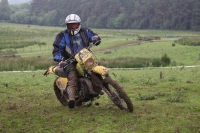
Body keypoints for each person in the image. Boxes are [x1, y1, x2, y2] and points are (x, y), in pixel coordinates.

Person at [52, 14, 101, 109]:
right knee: (72, 76)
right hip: (70, 61)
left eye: (75, 25)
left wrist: (96, 38)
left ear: (79, 24)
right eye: (70, 25)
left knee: (96, 67)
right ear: (67, 26)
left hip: (85, 57)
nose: (73, 27)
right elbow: (57, 49)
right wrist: (59, 60)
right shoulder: (62, 35)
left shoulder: (85, 31)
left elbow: (94, 36)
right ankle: (71, 98)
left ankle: (101, 85)